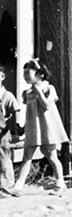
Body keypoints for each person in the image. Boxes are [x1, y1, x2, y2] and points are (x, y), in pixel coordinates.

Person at [10, 60, 69, 195]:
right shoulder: (27, 93)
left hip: (47, 128)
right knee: (27, 156)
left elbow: (46, 106)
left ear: (40, 75)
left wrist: (39, 91)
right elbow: (31, 112)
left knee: (51, 155)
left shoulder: (49, 88)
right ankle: (18, 187)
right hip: (33, 128)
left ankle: (60, 183)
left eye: (28, 72)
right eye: (24, 72)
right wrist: (24, 126)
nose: (25, 75)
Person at [0, 66, 20, 194]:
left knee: (4, 158)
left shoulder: (7, 96)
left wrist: (16, 126)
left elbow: (16, 111)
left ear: (2, 77)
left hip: (2, 133)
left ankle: (7, 187)